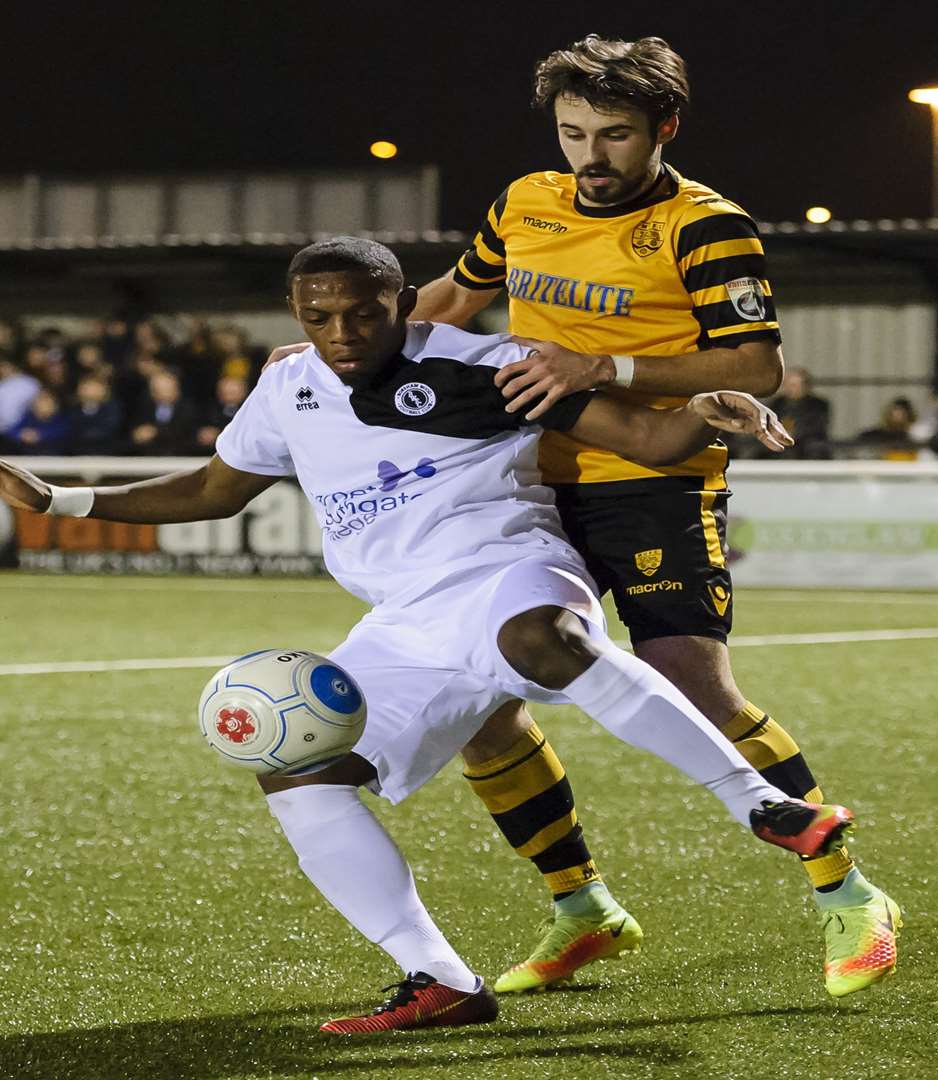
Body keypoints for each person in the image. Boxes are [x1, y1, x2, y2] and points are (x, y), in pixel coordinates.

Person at [0, 239, 885, 1033]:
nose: (343, 335)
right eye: (320, 318)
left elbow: (642, 439)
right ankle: (442, 981)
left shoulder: (486, 365)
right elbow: (208, 492)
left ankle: (764, 807)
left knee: (543, 640)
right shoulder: (288, 389)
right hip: (401, 624)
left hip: (508, 570)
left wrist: (700, 417)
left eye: (363, 313)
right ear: (297, 314)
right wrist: (54, 496)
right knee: (298, 774)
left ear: (403, 302)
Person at [272, 36, 900, 998]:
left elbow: (754, 366)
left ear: (665, 130)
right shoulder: (525, 202)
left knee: (690, 679)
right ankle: (582, 909)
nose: (591, 156)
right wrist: (326, 356)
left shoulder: (706, 226)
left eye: (614, 135)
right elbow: (448, 299)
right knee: (483, 704)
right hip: (513, 481)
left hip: (649, 472)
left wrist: (604, 367)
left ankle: (846, 889)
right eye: (574, 133)